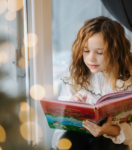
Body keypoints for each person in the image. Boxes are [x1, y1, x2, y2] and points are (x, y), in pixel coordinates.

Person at [51, 16, 132, 150]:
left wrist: (109, 130)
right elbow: (60, 122)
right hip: (78, 135)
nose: (91, 58)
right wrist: (71, 105)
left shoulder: (127, 79)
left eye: (99, 52)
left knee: (103, 145)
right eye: (86, 51)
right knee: (68, 142)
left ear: (115, 52)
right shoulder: (76, 73)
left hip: (111, 138)